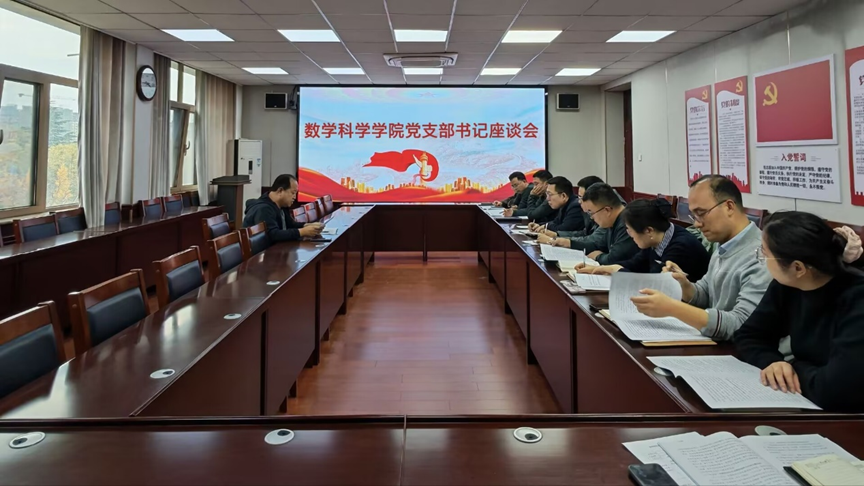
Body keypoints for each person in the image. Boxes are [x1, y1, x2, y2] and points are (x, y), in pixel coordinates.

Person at [734, 212, 864, 412]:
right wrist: (773, 362)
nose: (762, 259)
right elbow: (748, 335)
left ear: (798, 267)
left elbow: (835, 391)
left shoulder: (857, 299)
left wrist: (794, 365)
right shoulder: (787, 284)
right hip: (811, 399)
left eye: (765, 254)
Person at [630, 175, 771, 340]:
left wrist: (673, 308)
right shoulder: (723, 244)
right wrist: (684, 285)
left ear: (729, 207)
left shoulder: (762, 255)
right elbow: (707, 293)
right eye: (694, 216)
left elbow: (742, 325)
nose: (696, 224)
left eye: (701, 213)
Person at [575, 198, 710, 282]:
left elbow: (654, 282)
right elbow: (636, 263)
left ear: (648, 231)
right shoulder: (656, 239)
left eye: (629, 229)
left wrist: (617, 270)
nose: (629, 234)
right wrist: (602, 268)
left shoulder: (681, 247)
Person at [243, 174, 323, 241]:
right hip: (263, 252)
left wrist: (307, 226)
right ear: (280, 191)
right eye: (293, 193)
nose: (294, 197)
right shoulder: (263, 209)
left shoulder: (282, 205)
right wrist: (301, 232)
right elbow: (273, 234)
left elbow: (290, 225)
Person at [537, 175, 608, 249]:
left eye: (582, 198)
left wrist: (553, 240)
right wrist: (556, 234)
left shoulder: (605, 213)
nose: (579, 201)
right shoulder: (588, 211)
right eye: (579, 197)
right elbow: (584, 233)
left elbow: (593, 240)